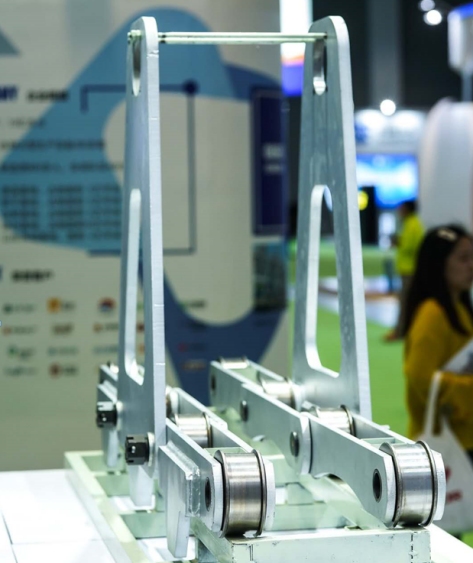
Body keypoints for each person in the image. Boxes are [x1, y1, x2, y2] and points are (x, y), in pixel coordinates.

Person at [403, 225, 473, 460]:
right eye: (463, 258)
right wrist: (466, 390)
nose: (471, 265)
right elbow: (420, 377)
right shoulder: (432, 314)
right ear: (439, 263)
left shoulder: (460, 308)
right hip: (444, 444)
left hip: (462, 436)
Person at [384, 199, 424, 341]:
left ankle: (400, 331)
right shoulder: (410, 223)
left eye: (401, 209)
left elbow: (410, 247)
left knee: (405, 301)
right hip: (407, 269)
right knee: (406, 301)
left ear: (407, 209)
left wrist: (397, 241)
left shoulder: (413, 225)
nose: (399, 211)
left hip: (410, 270)